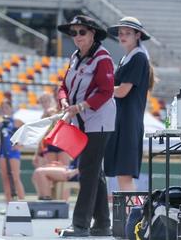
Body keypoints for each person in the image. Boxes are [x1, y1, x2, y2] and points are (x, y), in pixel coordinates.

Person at [56, 15, 116, 237]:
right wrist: (63, 99)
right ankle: (102, 223)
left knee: (88, 171)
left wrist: (81, 106)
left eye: (82, 32)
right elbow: (63, 85)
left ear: (92, 33)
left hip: (98, 122)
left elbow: (106, 91)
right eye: (73, 33)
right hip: (80, 121)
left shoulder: (103, 58)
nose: (77, 37)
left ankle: (80, 225)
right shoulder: (74, 56)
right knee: (93, 170)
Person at [104, 17, 154, 191]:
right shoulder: (127, 58)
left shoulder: (138, 58)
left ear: (137, 35)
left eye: (128, 33)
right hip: (121, 119)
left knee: (124, 173)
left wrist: (100, 88)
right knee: (121, 174)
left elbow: (123, 91)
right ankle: (132, 214)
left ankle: (133, 216)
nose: (122, 36)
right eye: (120, 33)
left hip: (128, 121)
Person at [0, 100, 25, 207]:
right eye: (2, 108)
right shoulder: (1, 123)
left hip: (13, 152)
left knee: (15, 177)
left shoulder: (16, 121)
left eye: (6, 107)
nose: (4, 110)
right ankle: (8, 204)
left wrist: (20, 145)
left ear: (11, 109)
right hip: (2, 152)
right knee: (5, 178)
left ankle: (22, 203)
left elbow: (27, 132)